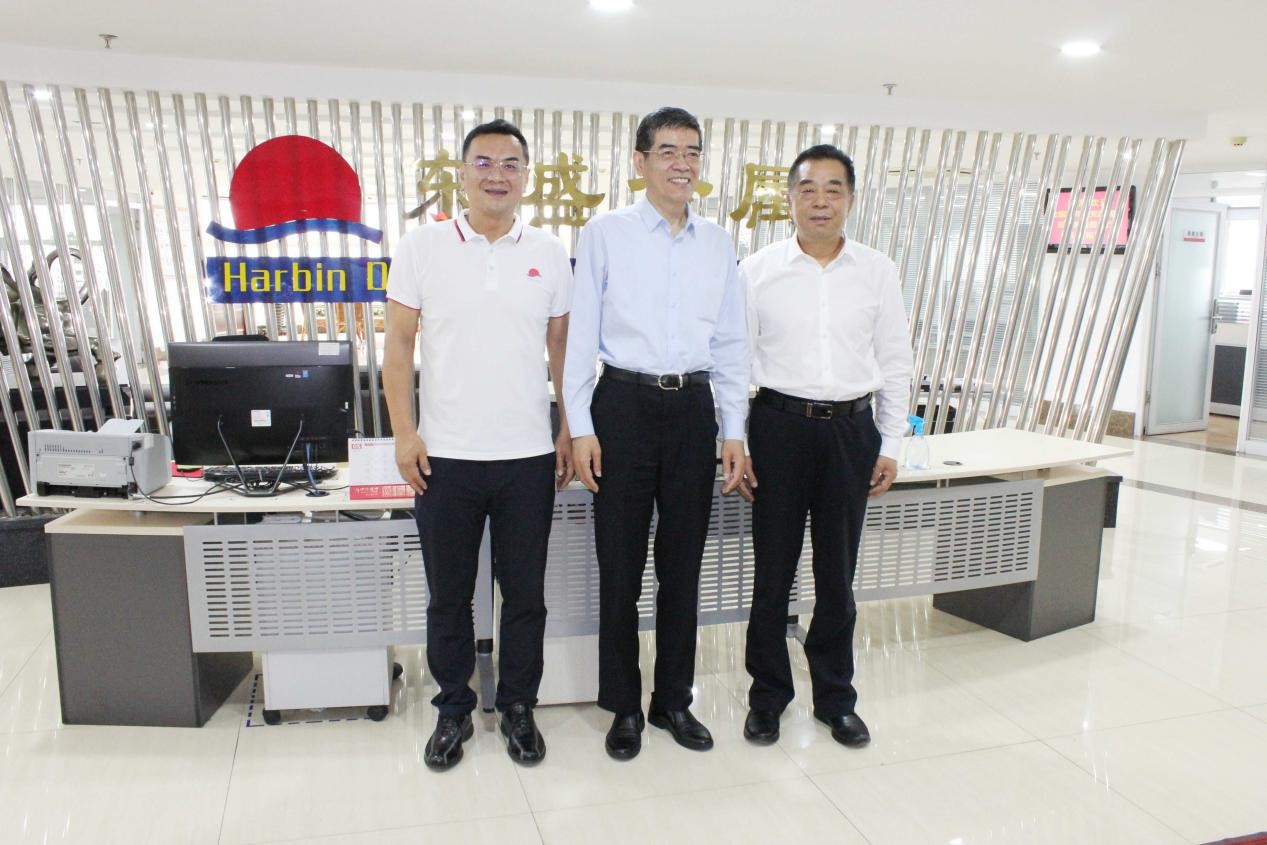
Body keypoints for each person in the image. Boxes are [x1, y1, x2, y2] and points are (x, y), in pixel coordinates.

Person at [383, 119, 574, 771]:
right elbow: (398, 346)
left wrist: (567, 428)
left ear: (527, 176)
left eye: (510, 163)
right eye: (484, 162)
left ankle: (518, 705)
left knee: (524, 596)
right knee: (449, 596)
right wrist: (404, 433)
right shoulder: (423, 246)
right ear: (462, 173)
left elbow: (561, 350)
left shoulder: (548, 251)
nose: (497, 174)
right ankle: (453, 709)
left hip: (526, 457)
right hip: (445, 457)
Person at [563, 106, 749, 761]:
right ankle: (623, 705)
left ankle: (672, 700)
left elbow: (731, 342)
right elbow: (579, 337)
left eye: (692, 152)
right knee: (620, 566)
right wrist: (580, 426)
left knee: (682, 565)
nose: (682, 163)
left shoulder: (718, 243)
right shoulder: (605, 233)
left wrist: (733, 429)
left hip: (693, 407)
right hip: (622, 405)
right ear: (639, 161)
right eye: (667, 151)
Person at [738, 144, 913, 749]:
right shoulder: (757, 270)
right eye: (808, 189)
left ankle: (836, 699)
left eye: (833, 190)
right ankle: (767, 698)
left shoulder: (877, 271)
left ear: (850, 200)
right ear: (789, 198)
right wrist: (735, 441)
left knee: (837, 576)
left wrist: (891, 442)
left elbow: (895, 360)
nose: (820, 201)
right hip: (777, 429)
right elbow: (735, 363)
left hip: (850, 432)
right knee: (773, 573)